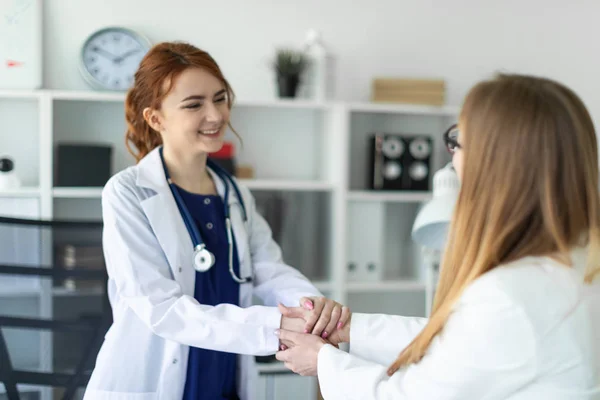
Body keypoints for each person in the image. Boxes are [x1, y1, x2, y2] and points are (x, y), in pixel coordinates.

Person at [275, 73, 600, 399]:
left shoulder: (509, 295)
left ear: (494, 163)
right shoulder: (576, 262)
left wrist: (323, 361)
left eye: (459, 141)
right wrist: (350, 330)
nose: (453, 156)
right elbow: (463, 343)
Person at [83, 41, 349, 400]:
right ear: (156, 118)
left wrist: (312, 309)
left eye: (220, 98)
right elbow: (162, 309)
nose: (216, 114)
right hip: (153, 381)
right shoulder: (128, 193)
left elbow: (269, 269)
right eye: (194, 104)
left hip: (223, 378)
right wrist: (274, 325)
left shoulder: (235, 194)